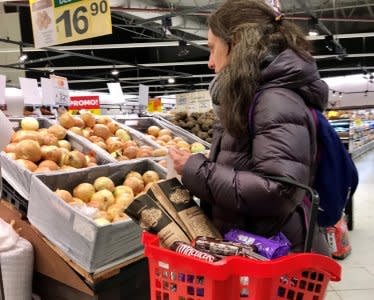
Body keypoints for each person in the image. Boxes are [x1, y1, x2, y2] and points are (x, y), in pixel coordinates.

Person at [169, 0, 330, 255]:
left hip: (273, 254)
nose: (210, 62)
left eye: (213, 49)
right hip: (254, 244)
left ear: (235, 43)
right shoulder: (252, 96)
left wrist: (195, 170)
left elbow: (276, 190)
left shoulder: (274, 100)